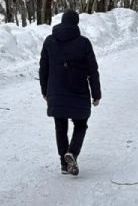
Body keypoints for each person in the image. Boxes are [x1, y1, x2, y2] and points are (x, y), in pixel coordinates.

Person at [39, 10, 101, 176]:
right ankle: (72, 153)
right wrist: (96, 94)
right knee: (81, 124)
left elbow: (43, 69)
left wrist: (45, 91)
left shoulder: (49, 41)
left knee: (60, 126)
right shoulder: (84, 43)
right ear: (76, 23)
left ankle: (63, 164)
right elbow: (93, 70)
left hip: (55, 91)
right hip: (78, 91)